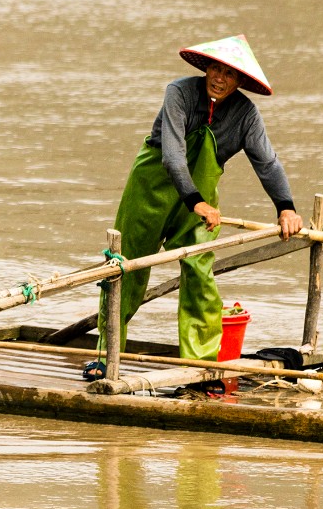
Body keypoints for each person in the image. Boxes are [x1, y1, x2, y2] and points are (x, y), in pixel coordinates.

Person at [108, 35, 301, 361]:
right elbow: (172, 155)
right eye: (215, 69)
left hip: (201, 205)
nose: (219, 79)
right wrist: (194, 200)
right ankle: (106, 355)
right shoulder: (179, 93)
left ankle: (201, 366)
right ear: (206, 68)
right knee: (126, 272)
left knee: (200, 275)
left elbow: (267, 162)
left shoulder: (246, 115)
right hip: (151, 190)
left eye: (229, 74)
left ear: (240, 81)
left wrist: (286, 208)